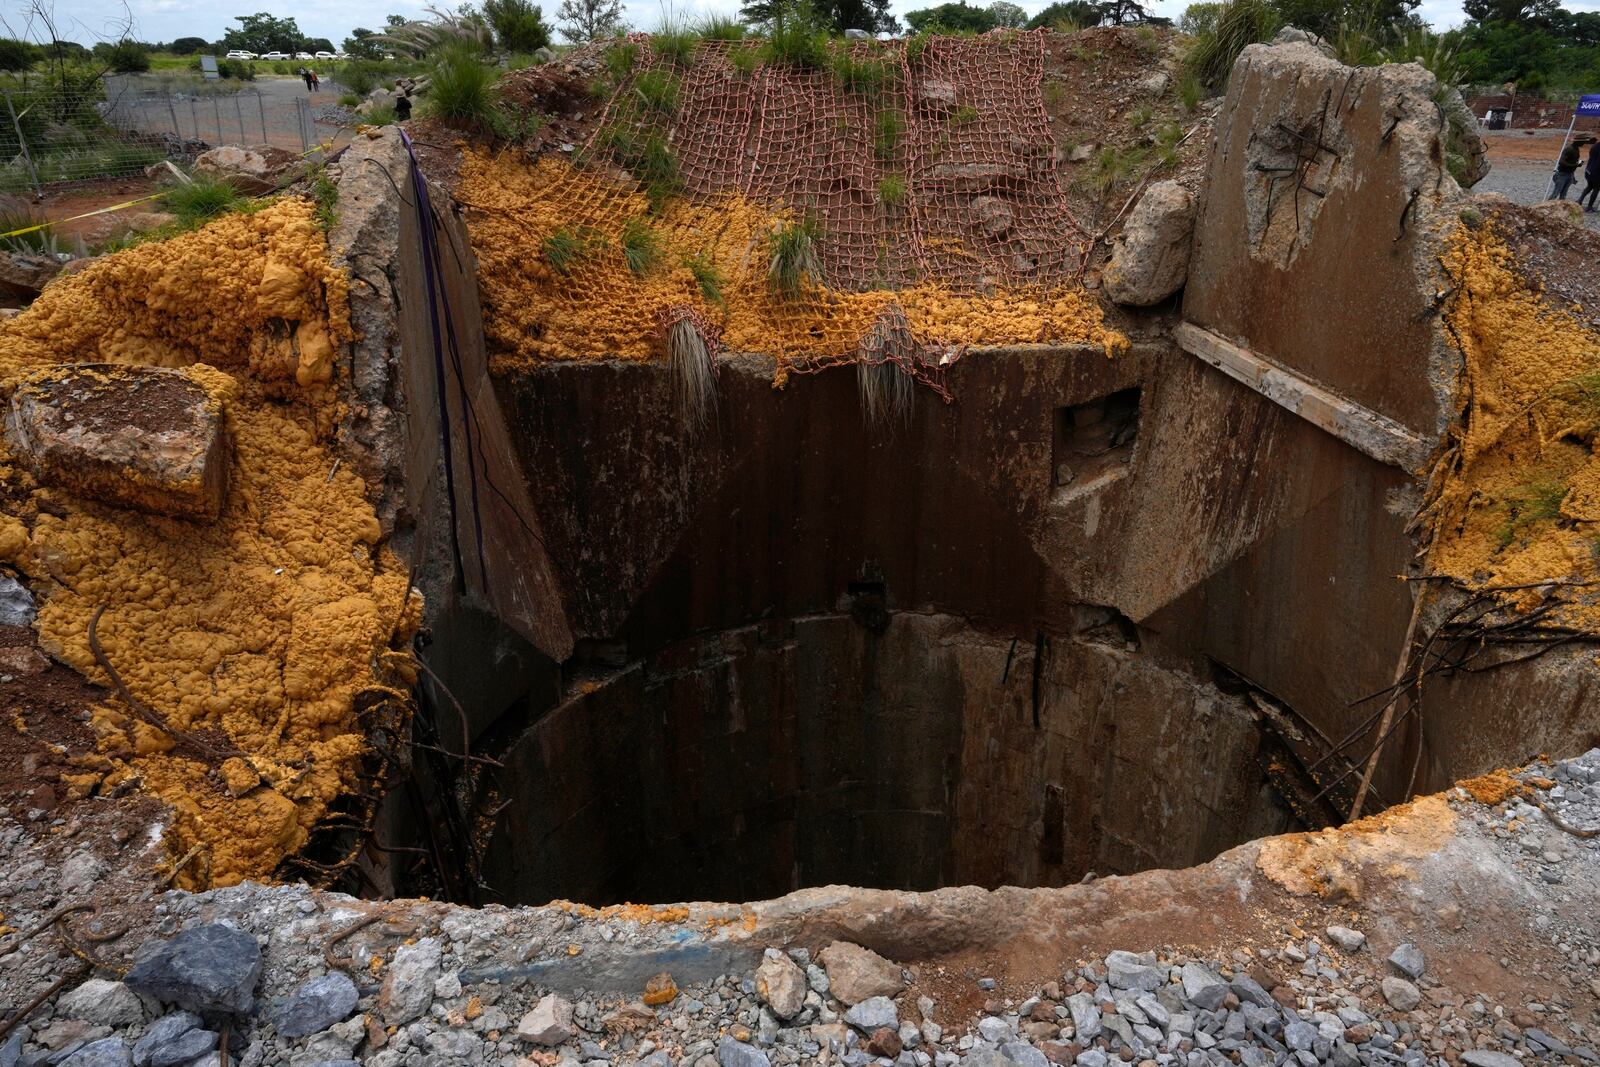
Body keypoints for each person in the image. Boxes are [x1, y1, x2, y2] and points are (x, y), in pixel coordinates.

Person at [1551, 136, 1593, 200]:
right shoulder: (1569, 149)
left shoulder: (1576, 149)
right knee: (1556, 193)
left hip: (1569, 174)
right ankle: (1547, 206)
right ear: (1578, 142)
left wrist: (1578, 164)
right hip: (1562, 174)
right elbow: (1561, 161)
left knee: (1563, 193)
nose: (1584, 143)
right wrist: (1573, 165)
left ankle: (1560, 207)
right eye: (1583, 142)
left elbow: (1571, 161)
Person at [1583, 140, 1600, 213]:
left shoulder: (1594, 146)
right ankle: (1589, 206)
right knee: (1596, 189)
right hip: (1597, 172)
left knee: (1589, 186)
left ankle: (1580, 200)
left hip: (1589, 170)